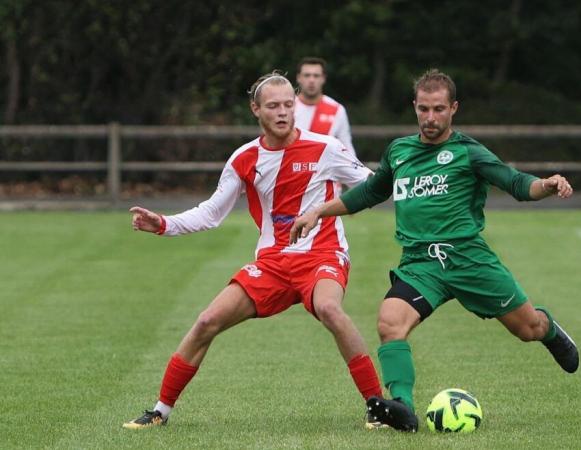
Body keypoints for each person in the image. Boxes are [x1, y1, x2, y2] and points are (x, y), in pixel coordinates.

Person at [290, 69, 579, 432]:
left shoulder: (467, 151)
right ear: (414, 107)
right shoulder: (399, 151)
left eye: (439, 109)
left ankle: (549, 328)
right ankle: (402, 408)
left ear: (453, 108)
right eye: (423, 109)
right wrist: (318, 210)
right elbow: (368, 193)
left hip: (469, 260)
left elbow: (517, 183)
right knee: (389, 323)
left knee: (527, 329)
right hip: (421, 264)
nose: (430, 118)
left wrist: (547, 184)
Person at [123, 71, 385, 430]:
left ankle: (376, 406)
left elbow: (373, 186)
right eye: (273, 106)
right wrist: (165, 224)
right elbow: (211, 213)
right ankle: (159, 412)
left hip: (323, 256)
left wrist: (326, 210)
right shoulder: (244, 158)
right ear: (255, 110)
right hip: (274, 265)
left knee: (329, 308)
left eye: (288, 105)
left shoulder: (325, 148)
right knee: (206, 321)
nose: (282, 113)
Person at [294, 57, 356, 158]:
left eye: (316, 75)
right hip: (291, 170)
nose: (311, 80)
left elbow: (347, 149)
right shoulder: (286, 107)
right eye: (307, 75)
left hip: (325, 172)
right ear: (298, 78)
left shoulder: (336, 110)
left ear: (323, 78)